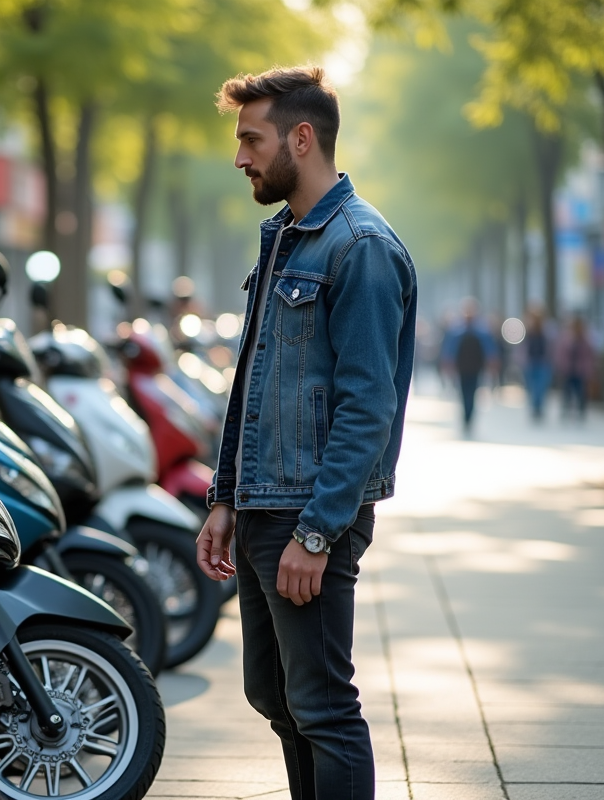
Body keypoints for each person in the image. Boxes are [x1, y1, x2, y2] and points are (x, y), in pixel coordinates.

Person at [196, 66, 416, 800]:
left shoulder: (361, 247)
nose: (240, 158)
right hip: (263, 506)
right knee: (278, 700)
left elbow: (367, 407)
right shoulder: (285, 239)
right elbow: (255, 381)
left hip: (308, 513)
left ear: (301, 136)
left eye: (251, 139)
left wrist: (318, 533)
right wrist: (225, 498)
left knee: (323, 708)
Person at [440, 299, 499, 433]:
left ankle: (470, 416)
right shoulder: (456, 330)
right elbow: (449, 349)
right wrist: (447, 364)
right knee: (462, 392)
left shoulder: (482, 330)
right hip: (461, 368)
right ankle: (465, 416)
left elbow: (490, 349)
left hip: (476, 368)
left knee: (472, 392)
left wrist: (492, 363)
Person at [553, 315, 596, 419]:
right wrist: (561, 366)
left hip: (580, 371)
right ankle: (566, 409)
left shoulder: (585, 340)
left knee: (580, 392)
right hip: (568, 370)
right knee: (566, 392)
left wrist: (589, 370)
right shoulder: (566, 338)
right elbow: (561, 353)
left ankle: (581, 410)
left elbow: (589, 356)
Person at [521, 308, 552, 421]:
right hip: (530, 363)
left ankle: (538, 407)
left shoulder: (547, 331)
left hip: (543, 363)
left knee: (540, 387)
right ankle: (534, 407)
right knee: (531, 387)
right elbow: (522, 348)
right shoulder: (528, 331)